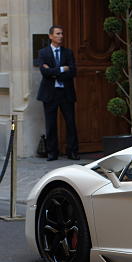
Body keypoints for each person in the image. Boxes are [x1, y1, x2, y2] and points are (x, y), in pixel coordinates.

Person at [37, 25, 79, 161]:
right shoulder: (43, 53)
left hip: (66, 93)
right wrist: (61, 69)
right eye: (57, 34)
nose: (61, 36)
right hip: (49, 93)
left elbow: (73, 71)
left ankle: (72, 152)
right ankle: (52, 152)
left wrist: (54, 72)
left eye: (62, 33)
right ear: (50, 36)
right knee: (51, 124)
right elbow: (44, 72)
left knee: (71, 123)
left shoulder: (68, 52)